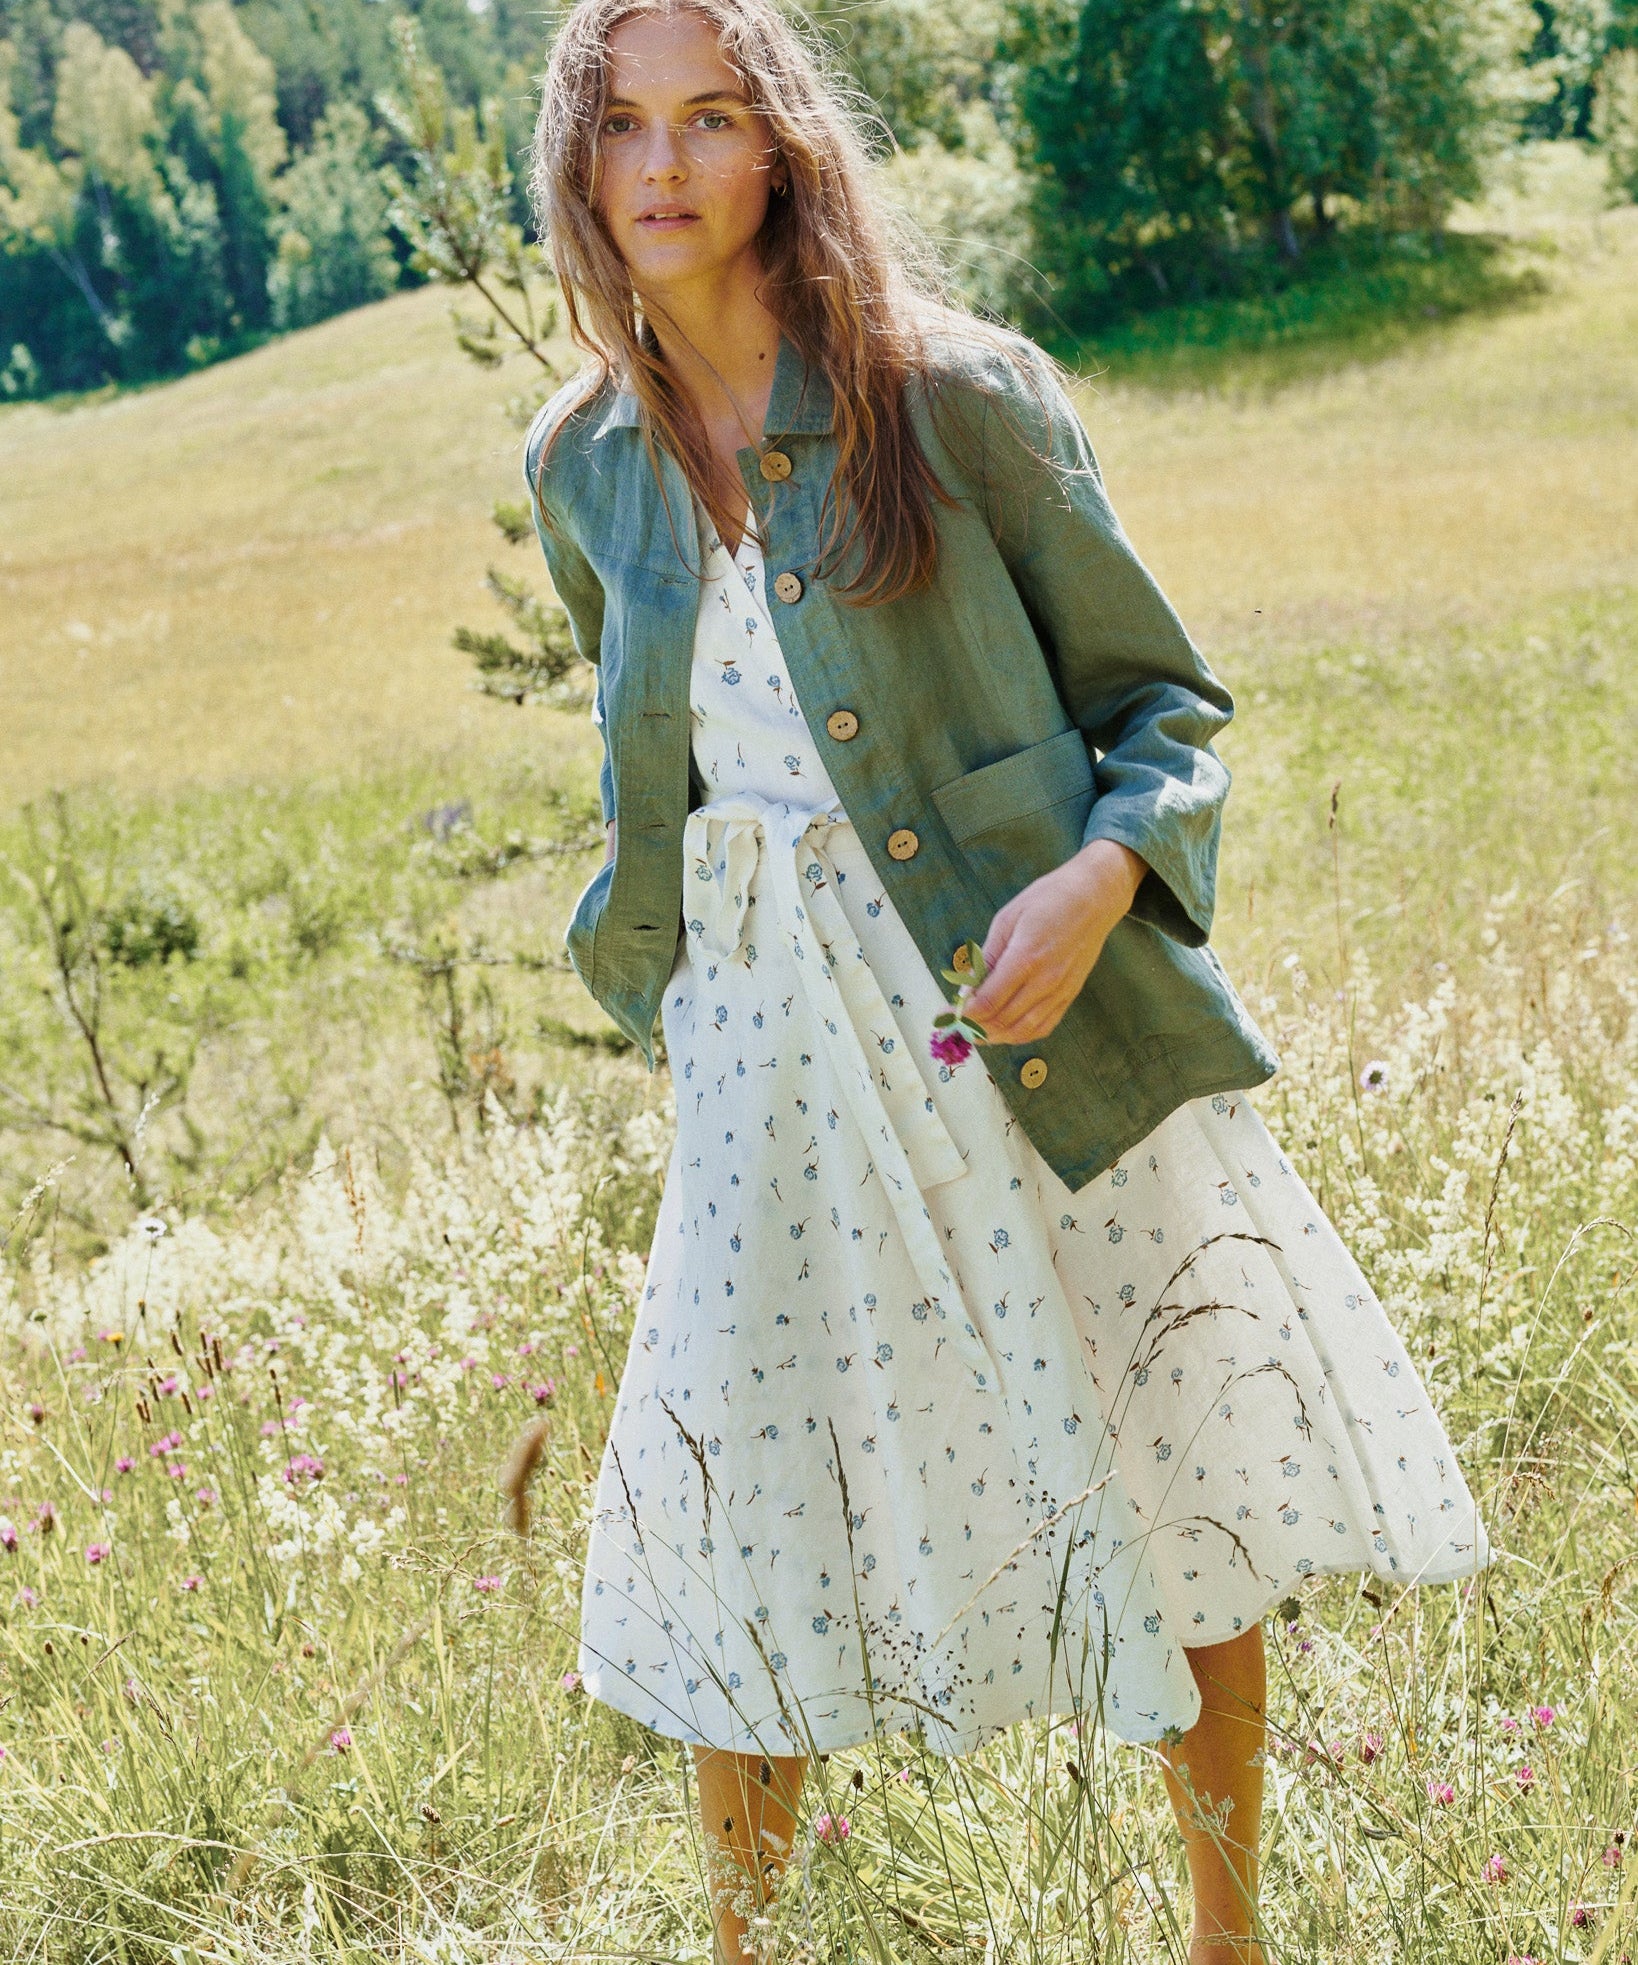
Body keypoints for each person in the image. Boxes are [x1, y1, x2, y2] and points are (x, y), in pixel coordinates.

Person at [522, 3, 1490, 1958]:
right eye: (622, 123)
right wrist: (675, 984)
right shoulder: (578, 465)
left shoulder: (954, 396)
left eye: (709, 118)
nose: (664, 165)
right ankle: (747, 1943)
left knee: (1162, 1457)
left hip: (1013, 1010)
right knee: (744, 1492)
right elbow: (659, 763)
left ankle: (1225, 1937)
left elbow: (1162, 707)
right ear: (576, 158)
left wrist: (1101, 878)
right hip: (765, 1050)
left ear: (779, 148)